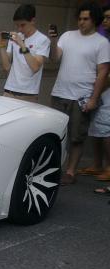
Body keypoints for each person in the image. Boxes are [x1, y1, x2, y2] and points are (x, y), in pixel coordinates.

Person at [49, 2, 110, 185]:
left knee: (77, 137)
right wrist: (53, 40)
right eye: (80, 18)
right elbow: (54, 57)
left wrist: (93, 98)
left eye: (86, 19)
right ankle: (54, 168)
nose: (81, 22)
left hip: (81, 97)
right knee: (57, 134)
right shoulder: (67, 36)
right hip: (60, 93)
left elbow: (103, 73)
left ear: (94, 20)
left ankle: (70, 172)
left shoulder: (102, 43)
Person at [0, 4, 50, 103]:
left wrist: (22, 44)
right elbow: (6, 67)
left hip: (28, 93)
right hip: (9, 90)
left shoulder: (42, 40)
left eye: (23, 25)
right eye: (17, 25)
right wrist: (1, 47)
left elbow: (35, 67)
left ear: (33, 21)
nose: (20, 29)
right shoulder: (15, 38)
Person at [84, 5, 110, 184]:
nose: (106, 21)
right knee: (96, 128)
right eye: (105, 17)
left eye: (109, 18)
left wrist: (98, 88)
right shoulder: (104, 39)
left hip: (106, 90)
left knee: (107, 130)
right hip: (100, 90)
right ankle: (97, 164)